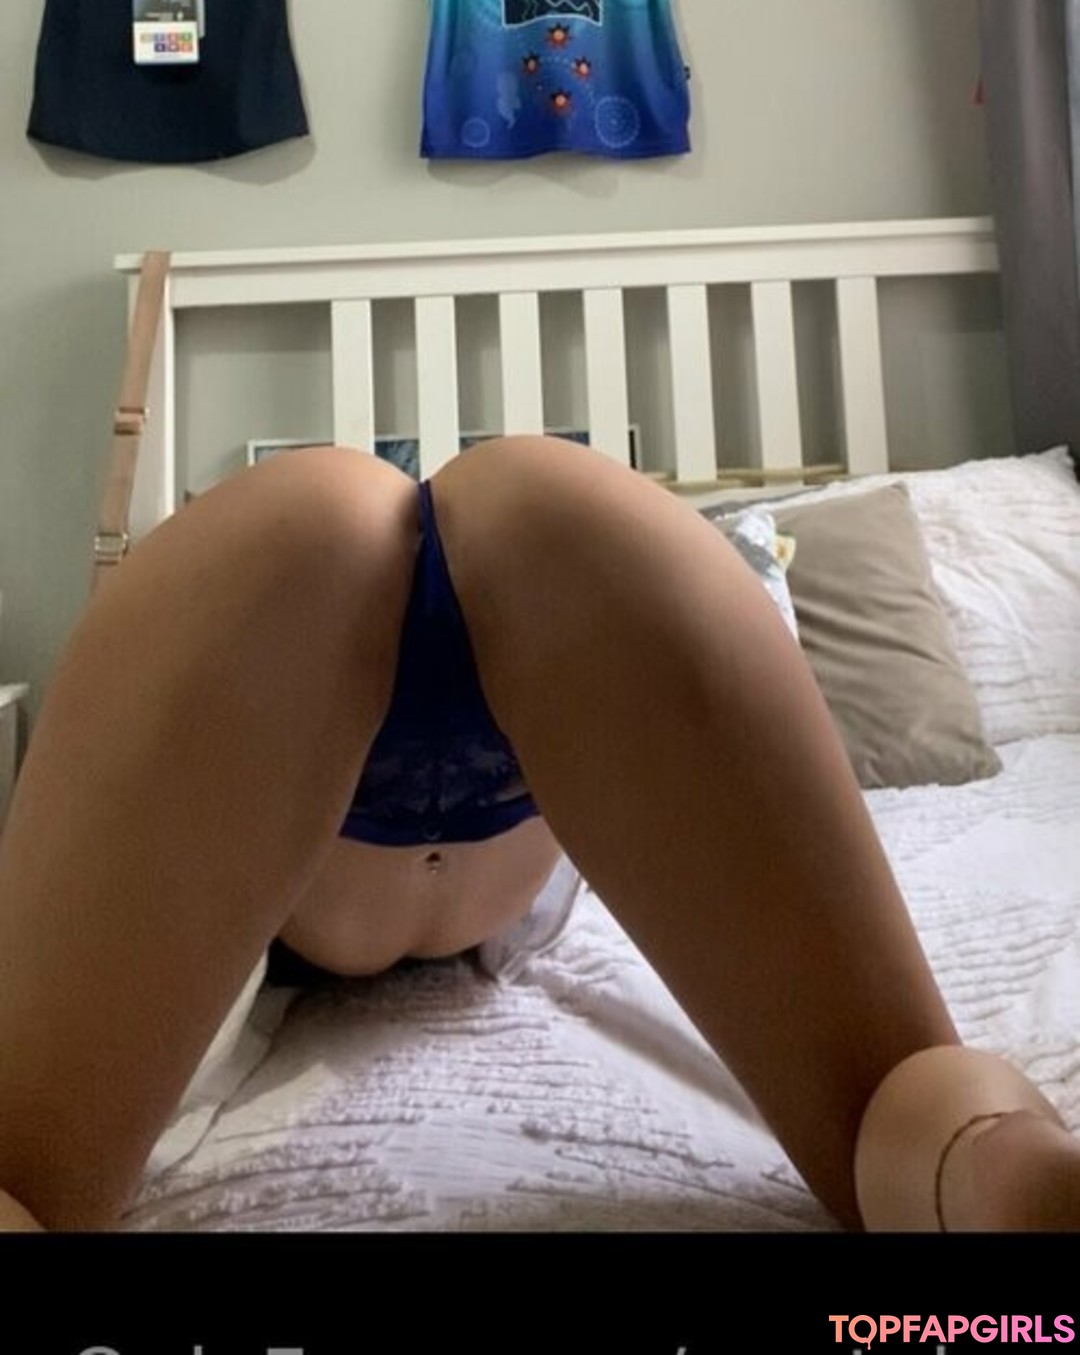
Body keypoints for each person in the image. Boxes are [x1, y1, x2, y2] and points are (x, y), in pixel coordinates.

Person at [0, 435, 1076, 1235]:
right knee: (908, 1103)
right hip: (577, 558)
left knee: (24, 1172)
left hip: (268, 576)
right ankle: (1010, 1171)